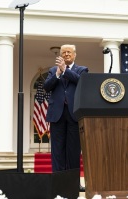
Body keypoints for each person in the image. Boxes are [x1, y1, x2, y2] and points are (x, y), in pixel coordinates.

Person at [43, 44, 88, 189]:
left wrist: (65, 70)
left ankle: (74, 183)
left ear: (75, 54)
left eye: (69, 52)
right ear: (60, 55)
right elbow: (47, 87)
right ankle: (58, 182)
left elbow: (81, 82)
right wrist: (57, 74)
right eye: (64, 52)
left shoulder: (82, 70)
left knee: (74, 151)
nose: (66, 54)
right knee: (57, 151)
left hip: (74, 115)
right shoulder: (52, 70)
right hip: (57, 115)